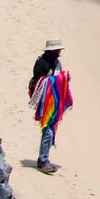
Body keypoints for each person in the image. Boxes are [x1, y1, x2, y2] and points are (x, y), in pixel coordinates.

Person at [28, 37, 73, 175]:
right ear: (52, 51)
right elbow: (39, 82)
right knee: (47, 129)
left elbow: (57, 78)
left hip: (54, 100)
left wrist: (64, 78)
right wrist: (58, 79)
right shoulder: (41, 63)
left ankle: (44, 158)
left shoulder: (56, 62)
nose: (60, 52)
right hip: (45, 102)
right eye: (58, 50)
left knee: (50, 129)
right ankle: (43, 161)